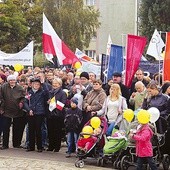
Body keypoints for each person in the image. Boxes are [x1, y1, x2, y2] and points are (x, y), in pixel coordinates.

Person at [0, 74, 26, 149]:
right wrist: (1, 108)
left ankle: (16, 144)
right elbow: (1, 97)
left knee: (17, 128)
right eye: (10, 80)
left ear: (15, 80)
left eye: (13, 80)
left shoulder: (20, 88)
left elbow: (23, 97)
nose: (12, 81)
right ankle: (5, 144)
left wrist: (21, 103)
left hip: (17, 110)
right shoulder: (3, 87)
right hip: (6, 110)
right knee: (5, 128)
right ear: (8, 81)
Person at [24, 78, 48, 152]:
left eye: (38, 84)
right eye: (35, 84)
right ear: (32, 85)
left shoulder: (42, 92)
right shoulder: (29, 92)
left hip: (39, 112)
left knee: (38, 129)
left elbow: (47, 93)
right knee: (31, 129)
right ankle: (31, 146)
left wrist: (43, 83)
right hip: (31, 113)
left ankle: (39, 146)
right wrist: (29, 110)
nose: (36, 85)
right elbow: (25, 102)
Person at [47, 78, 67, 152]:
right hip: (50, 114)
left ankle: (57, 147)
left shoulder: (63, 93)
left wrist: (54, 103)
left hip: (58, 115)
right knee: (50, 131)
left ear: (60, 85)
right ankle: (50, 146)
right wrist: (48, 102)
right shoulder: (50, 92)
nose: (54, 85)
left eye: (56, 83)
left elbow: (62, 105)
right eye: (53, 83)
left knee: (57, 132)